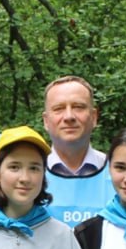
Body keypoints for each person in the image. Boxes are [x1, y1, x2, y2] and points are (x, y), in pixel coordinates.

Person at [41, 76, 116, 228]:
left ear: (94, 117)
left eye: (78, 107)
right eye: (59, 109)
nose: (69, 116)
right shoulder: (29, 176)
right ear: (46, 121)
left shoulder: (118, 174)